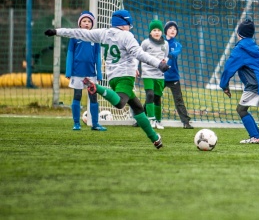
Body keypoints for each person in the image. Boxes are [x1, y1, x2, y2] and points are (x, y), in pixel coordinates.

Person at [45, 9, 169, 149]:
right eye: (129, 25)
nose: (129, 28)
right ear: (124, 24)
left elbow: (77, 32)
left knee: (138, 107)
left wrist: (56, 31)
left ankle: (155, 139)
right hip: (125, 77)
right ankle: (96, 88)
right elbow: (140, 54)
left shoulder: (103, 33)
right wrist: (159, 64)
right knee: (121, 103)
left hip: (112, 78)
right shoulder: (127, 35)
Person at [219, 19, 259, 144]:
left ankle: (255, 137)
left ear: (239, 34)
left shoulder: (240, 48)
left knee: (241, 110)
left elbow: (229, 68)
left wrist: (224, 85)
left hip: (254, 84)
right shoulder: (253, 46)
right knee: (243, 109)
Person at [65, 11, 106, 131]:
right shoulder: (74, 37)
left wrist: (99, 73)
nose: (86, 23)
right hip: (77, 74)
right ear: (80, 23)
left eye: (89, 21)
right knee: (77, 95)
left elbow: (98, 56)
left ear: (92, 24)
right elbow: (70, 54)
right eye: (84, 21)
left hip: (91, 74)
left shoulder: (95, 38)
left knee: (93, 97)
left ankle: (95, 124)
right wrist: (68, 71)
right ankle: (76, 123)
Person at [163, 21, 193, 129]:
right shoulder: (160, 42)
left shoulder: (177, 45)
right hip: (160, 76)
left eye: (175, 29)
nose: (172, 30)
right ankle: (141, 119)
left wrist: (169, 56)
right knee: (152, 96)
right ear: (166, 30)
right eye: (170, 28)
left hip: (173, 77)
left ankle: (186, 122)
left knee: (178, 100)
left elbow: (176, 52)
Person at [140, 19, 169, 130]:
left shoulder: (165, 44)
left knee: (157, 97)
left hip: (159, 75)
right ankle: (150, 119)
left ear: (162, 32)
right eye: (154, 30)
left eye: (158, 30)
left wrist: (165, 61)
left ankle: (158, 120)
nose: (156, 32)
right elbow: (139, 55)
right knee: (150, 95)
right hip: (147, 74)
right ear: (150, 32)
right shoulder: (145, 43)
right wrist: (135, 68)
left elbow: (166, 56)